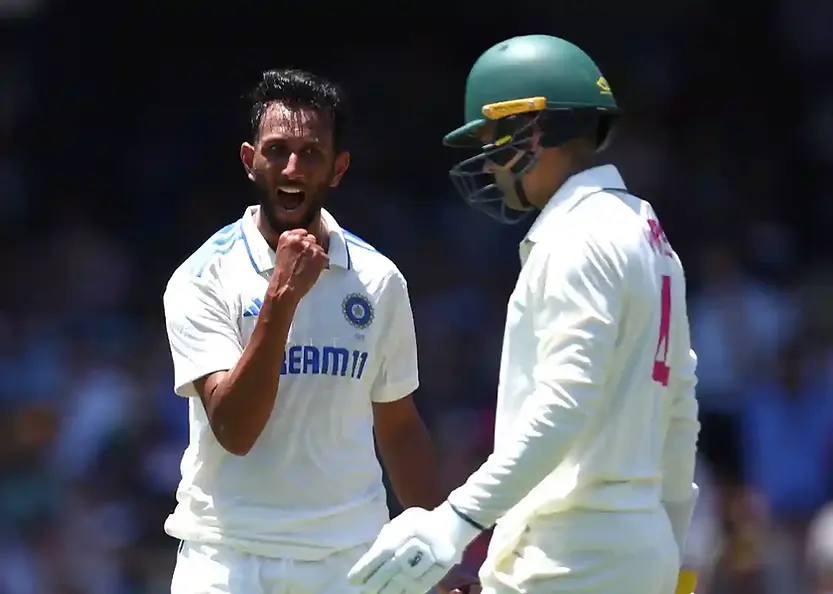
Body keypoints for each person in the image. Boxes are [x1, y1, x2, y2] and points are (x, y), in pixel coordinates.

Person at [348, 35, 701, 594]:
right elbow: (679, 409)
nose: (487, 166)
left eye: (491, 142)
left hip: (569, 555)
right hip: (639, 551)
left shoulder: (578, 235)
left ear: (531, 133)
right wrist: (669, 546)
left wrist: (455, 520)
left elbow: (565, 401)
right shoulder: (650, 238)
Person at [162, 68, 470, 594]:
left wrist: (434, 552)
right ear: (248, 160)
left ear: (339, 168)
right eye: (276, 149)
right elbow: (235, 431)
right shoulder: (201, 277)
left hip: (347, 561)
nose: (292, 167)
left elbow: (398, 425)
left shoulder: (378, 279)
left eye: (311, 153)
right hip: (228, 561)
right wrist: (281, 300)